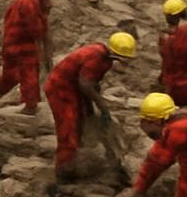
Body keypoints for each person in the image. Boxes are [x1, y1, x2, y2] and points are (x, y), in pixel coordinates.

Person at [44, 32, 137, 181]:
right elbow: (85, 85)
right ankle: (64, 170)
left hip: (72, 87)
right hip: (60, 88)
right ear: (116, 56)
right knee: (68, 127)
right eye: (124, 61)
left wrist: (90, 109)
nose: (126, 66)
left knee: (81, 119)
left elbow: (91, 84)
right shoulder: (96, 58)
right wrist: (103, 107)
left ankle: (76, 154)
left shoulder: (103, 56)